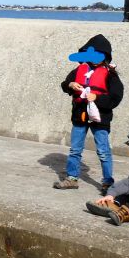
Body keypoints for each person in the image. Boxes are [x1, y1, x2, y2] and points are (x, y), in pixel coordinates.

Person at [53, 34, 123, 194]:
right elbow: (65, 85)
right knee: (75, 149)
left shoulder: (111, 75)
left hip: (100, 119)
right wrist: (70, 84)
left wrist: (97, 98)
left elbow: (116, 98)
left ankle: (107, 182)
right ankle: (72, 178)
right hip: (80, 116)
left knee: (103, 151)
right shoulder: (80, 69)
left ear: (106, 56)